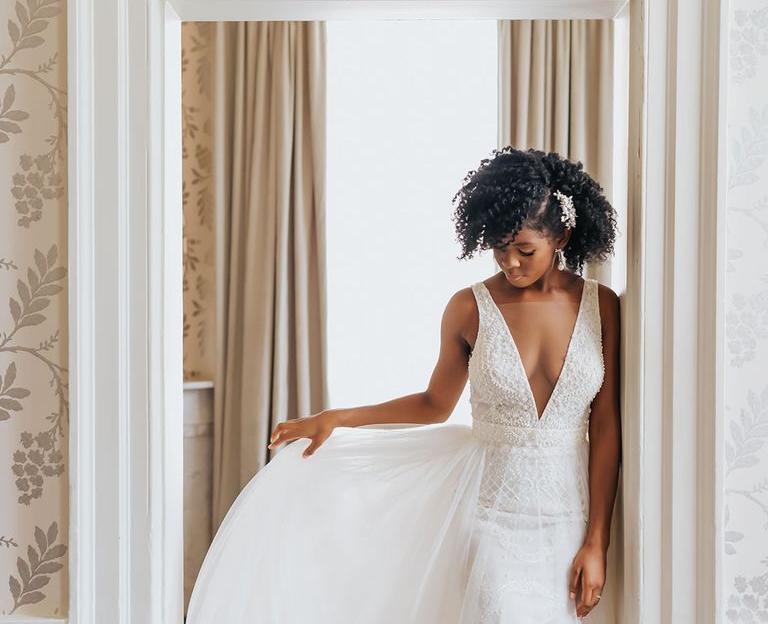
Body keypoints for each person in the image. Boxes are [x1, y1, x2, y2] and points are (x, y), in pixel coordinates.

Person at [186, 146, 622, 623]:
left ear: (561, 236)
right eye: (498, 249)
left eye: (524, 250)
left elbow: (604, 426)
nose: (510, 264)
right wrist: (338, 418)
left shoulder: (601, 308)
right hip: (490, 517)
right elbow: (435, 404)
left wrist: (597, 539)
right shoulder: (468, 309)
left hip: (569, 517)